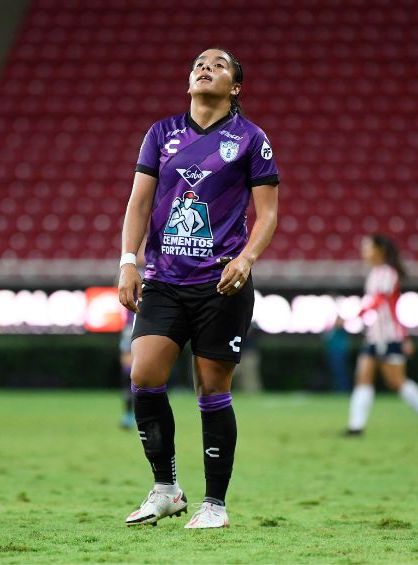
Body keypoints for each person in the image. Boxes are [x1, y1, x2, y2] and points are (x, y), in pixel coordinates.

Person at [117, 48, 279, 529]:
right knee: (144, 375)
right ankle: (166, 489)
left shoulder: (251, 140)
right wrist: (130, 261)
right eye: (198, 64)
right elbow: (139, 202)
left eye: (219, 64)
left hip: (221, 285)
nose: (205, 67)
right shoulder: (160, 134)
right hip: (164, 281)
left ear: (235, 88)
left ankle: (214, 506)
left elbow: (268, 214)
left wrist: (247, 260)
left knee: (212, 388)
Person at [346, 234, 418, 437]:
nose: (364, 251)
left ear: (379, 250)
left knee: (396, 381)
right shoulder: (375, 273)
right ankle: (355, 427)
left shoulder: (387, 273)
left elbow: (381, 301)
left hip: (387, 336)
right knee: (363, 377)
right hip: (375, 336)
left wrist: (353, 316)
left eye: (368, 247)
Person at [324, 316, 352, 392]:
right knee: (335, 372)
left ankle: (343, 390)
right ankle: (337, 389)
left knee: (341, 372)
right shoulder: (331, 330)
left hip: (339, 352)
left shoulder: (341, 330)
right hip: (332, 352)